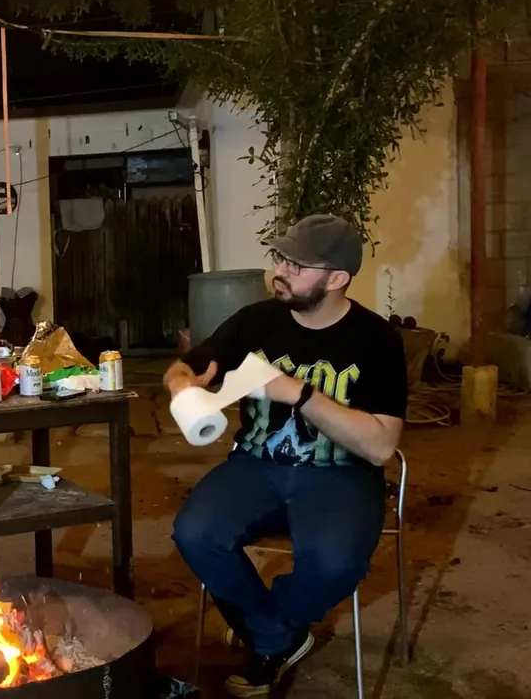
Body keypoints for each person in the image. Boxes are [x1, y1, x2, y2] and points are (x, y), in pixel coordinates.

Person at [165, 214, 407, 697]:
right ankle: (277, 638)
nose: (281, 271)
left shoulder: (377, 339)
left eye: (298, 265)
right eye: (280, 258)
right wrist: (181, 385)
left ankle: (266, 628)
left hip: (341, 473)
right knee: (196, 532)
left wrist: (297, 393)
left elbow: (382, 445)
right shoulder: (256, 321)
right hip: (256, 465)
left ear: (336, 279)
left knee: (334, 562)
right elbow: (185, 368)